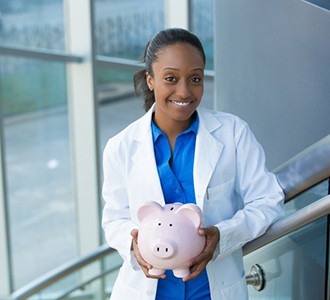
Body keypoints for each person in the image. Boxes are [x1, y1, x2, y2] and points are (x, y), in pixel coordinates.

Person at [102, 28, 284, 300]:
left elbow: (268, 200)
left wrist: (222, 235)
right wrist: (134, 245)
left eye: (195, 78)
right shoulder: (121, 146)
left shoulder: (233, 133)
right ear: (151, 80)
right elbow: (114, 218)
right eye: (171, 78)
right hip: (145, 291)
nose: (184, 91)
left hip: (211, 290)